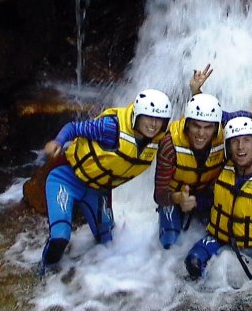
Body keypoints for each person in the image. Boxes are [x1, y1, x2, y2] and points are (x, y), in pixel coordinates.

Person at [40, 89, 172, 274]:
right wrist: (58, 142)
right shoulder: (110, 128)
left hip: (98, 190)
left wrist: (195, 91)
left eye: (159, 120)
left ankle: (94, 280)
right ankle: (44, 274)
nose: (153, 124)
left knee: (107, 240)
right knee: (60, 237)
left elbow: (191, 131)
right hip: (67, 179)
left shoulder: (161, 140)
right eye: (148, 117)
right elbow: (73, 128)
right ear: (136, 116)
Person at [184, 117, 252, 280]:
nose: (240, 147)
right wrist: (193, 202)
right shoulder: (225, 170)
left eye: (247, 140)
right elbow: (214, 201)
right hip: (220, 238)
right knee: (193, 262)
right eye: (235, 142)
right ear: (228, 148)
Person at [154, 93, 224, 249]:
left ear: (216, 128)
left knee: (220, 235)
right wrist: (178, 198)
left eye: (207, 128)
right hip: (173, 197)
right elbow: (159, 195)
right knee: (169, 243)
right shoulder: (169, 144)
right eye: (196, 126)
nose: (201, 134)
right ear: (187, 125)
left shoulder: (226, 140)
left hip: (205, 197)